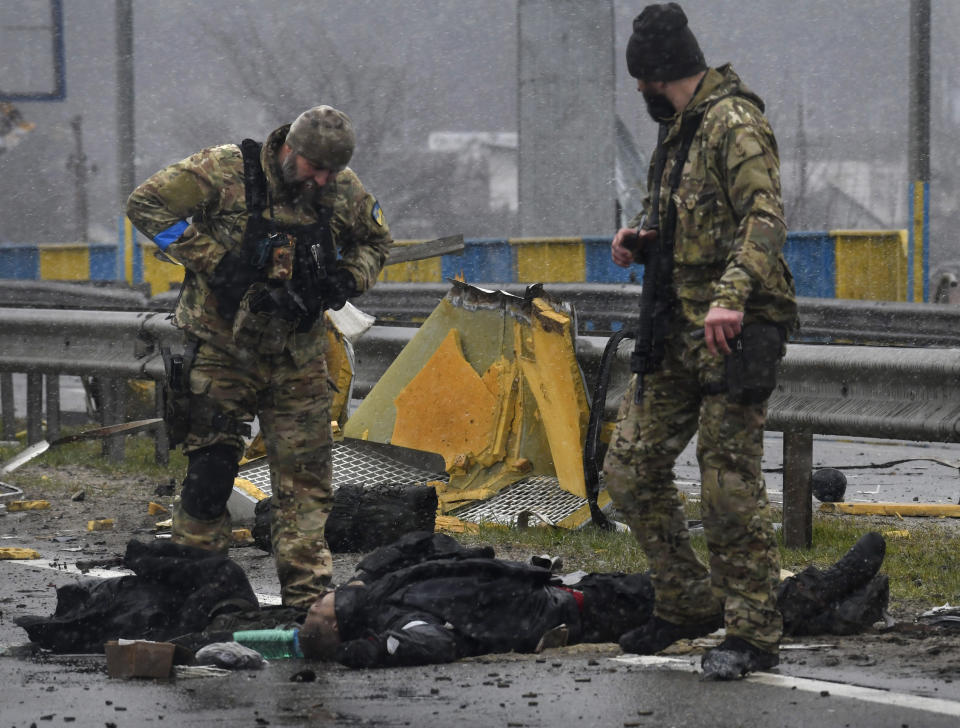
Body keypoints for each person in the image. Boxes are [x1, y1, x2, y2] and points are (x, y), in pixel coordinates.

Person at [126, 105, 392, 609]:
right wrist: (215, 262)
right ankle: (193, 594)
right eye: (314, 168)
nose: (321, 180)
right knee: (210, 477)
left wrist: (344, 281)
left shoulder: (341, 189)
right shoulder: (225, 171)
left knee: (305, 486)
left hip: (299, 357)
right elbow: (146, 207)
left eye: (331, 172)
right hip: (223, 351)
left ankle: (308, 604)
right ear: (289, 149)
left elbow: (377, 242)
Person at [601, 4, 799, 680]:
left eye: (641, 82)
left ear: (659, 75)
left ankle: (752, 628)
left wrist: (731, 297)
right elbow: (684, 215)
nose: (638, 94)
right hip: (677, 327)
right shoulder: (679, 133)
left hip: (734, 329)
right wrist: (642, 233)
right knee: (629, 467)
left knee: (726, 485)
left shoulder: (734, 124)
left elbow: (765, 218)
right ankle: (687, 601)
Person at [296, 531, 889, 669]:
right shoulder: (400, 622)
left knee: (697, 598)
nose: (319, 598)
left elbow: (426, 541)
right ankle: (823, 588)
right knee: (700, 598)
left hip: (574, 589)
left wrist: (364, 573)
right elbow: (423, 645)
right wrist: (365, 652)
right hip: (580, 612)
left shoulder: (385, 589)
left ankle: (836, 612)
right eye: (318, 609)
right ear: (340, 625)